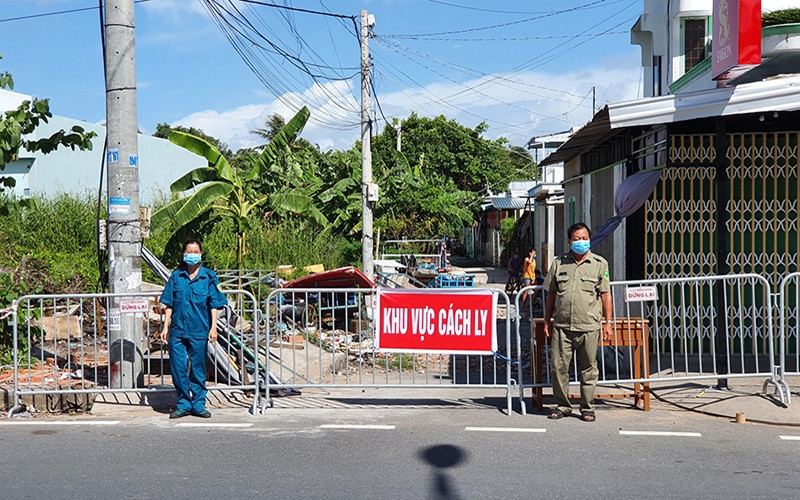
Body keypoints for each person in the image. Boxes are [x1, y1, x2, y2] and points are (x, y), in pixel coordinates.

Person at [542, 222, 613, 422]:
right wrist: (547, 321)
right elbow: (551, 294)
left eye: (584, 238)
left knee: (589, 368)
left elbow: (605, 295)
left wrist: (608, 323)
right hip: (562, 327)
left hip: (588, 326)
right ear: (569, 241)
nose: (581, 242)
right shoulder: (559, 263)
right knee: (558, 368)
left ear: (589, 240)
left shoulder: (599, 264)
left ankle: (587, 408)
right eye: (577, 239)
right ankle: (563, 406)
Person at [160, 239, 228, 419]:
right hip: (177, 330)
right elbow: (169, 304)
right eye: (189, 252)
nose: (192, 255)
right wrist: (165, 327)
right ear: (183, 254)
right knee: (178, 367)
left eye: (195, 252)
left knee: (198, 368)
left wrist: (213, 328)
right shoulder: (176, 276)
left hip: (199, 329)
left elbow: (214, 304)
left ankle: (198, 404)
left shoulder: (209, 277)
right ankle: (183, 403)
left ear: (201, 254)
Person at [519, 247, 537, 314]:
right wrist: (531, 256)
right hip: (527, 277)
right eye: (533, 253)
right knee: (526, 291)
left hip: (532, 277)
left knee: (537, 289)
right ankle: (523, 306)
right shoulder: (526, 259)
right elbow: (529, 262)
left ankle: (531, 303)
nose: (534, 254)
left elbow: (533, 270)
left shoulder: (534, 261)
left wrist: (533, 278)